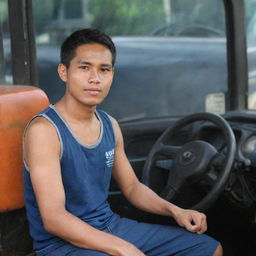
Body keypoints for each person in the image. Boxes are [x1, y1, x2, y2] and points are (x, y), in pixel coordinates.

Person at [23, 28, 223, 256]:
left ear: (112, 75)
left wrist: (175, 211)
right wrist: (122, 248)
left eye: (104, 70)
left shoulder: (110, 125)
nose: (95, 78)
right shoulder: (45, 131)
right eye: (84, 67)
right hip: (60, 245)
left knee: (208, 249)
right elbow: (54, 219)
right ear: (64, 72)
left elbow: (132, 187)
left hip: (111, 226)